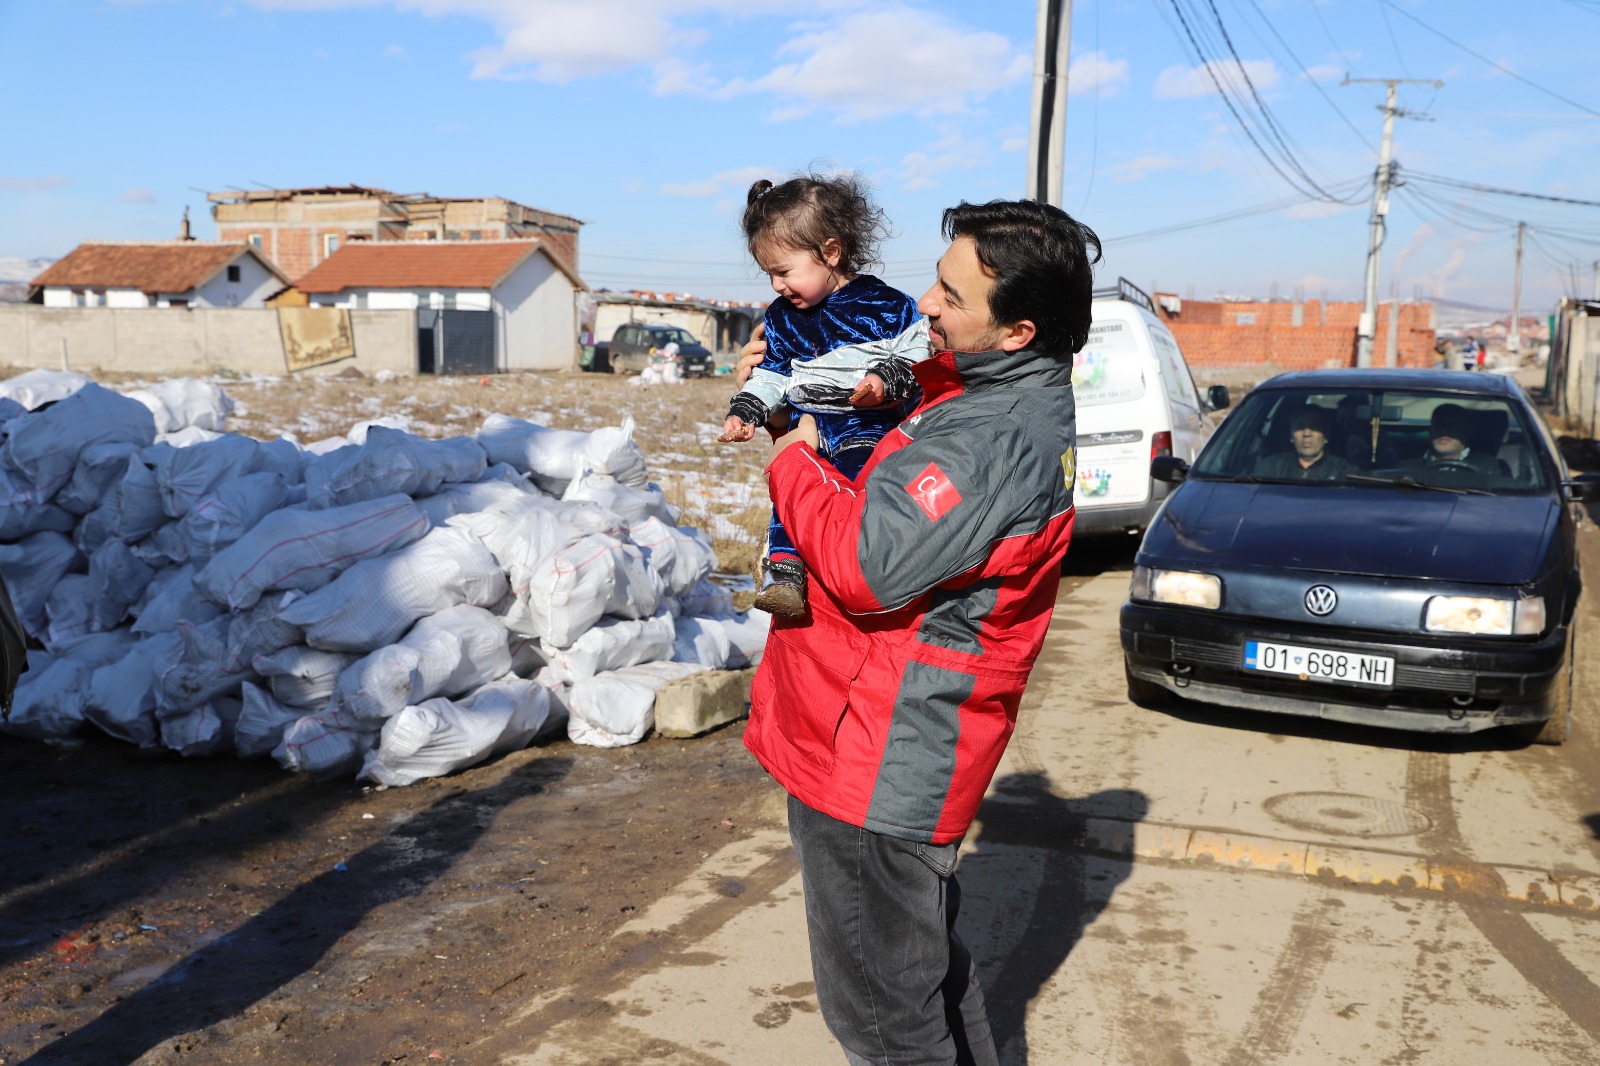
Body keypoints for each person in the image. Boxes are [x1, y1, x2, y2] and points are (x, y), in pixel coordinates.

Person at [746, 198, 1098, 1065]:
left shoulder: (992, 441)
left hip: (877, 754)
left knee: (884, 1023)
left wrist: (795, 456)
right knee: (926, 983)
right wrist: (825, 378)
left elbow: (867, 568)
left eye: (951, 294)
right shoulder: (996, 396)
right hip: (879, 734)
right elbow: (921, 406)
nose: (926, 305)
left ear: (1017, 332)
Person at [718, 174, 928, 619]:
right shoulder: (781, 319)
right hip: (804, 428)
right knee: (792, 494)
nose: (776, 286)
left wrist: (886, 380)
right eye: (769, 275)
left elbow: (918, 352)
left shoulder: (886, 307)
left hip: (865, 426)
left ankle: (855, 566)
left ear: (830, 252)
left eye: (784, 272)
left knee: (851, 487)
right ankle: (783, 574)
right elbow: (772, 375)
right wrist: (747, 409)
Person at [1254, 405, 1353, 480]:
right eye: (1300, 427)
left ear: (1326, 436)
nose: (1307, 433)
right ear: (1291, 436)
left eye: (1314, 427)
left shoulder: (1345, 471)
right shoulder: (1271, 467)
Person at [1400, 402, 1502, 473]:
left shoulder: (1488, 467)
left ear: (1467, 432)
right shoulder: (1406, 469)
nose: (1444, 431)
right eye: (1439, 424)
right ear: (1430, 431)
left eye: (1451, 425)